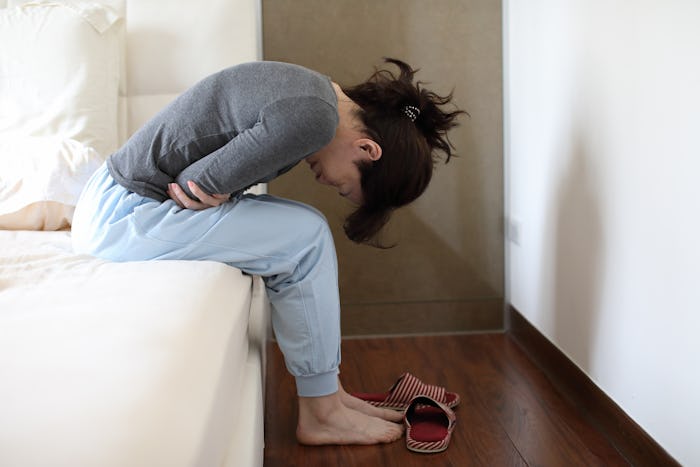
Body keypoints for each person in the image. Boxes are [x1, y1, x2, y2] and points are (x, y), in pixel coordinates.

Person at [72, 58, 464, 446]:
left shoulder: (317, 92)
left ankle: (328, 396)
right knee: (306, 237)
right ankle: (322, 411)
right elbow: (193, 184)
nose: (326, 182)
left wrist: (226, 187)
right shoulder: (313, 117)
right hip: (123, 217)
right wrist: (223, 186)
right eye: (344, 187)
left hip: (116, 204)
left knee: (306, 231)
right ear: (367, 149)